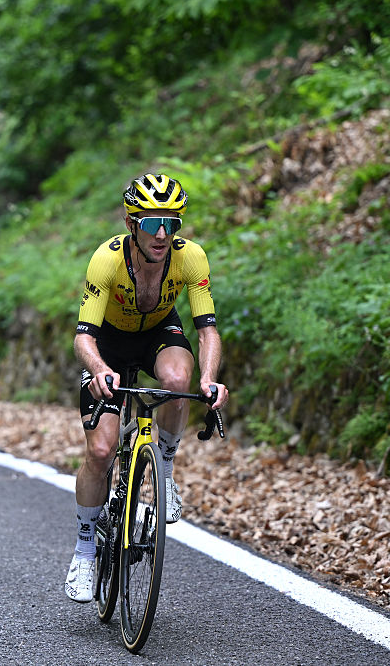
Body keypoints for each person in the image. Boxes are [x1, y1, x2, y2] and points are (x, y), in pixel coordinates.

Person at [64, 173, 229, 603]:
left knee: (177, 379)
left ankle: (166, 470)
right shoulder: (107, 260)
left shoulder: (190, 258)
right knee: (101, 451)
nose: (162, 234)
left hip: (158, 332)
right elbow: (83, 336)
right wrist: (99, 369)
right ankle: (85, 549)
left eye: (171, 224)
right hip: (108, 343)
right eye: (153, 223)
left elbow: (207, 331)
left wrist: (209, 379)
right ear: (131, 223)